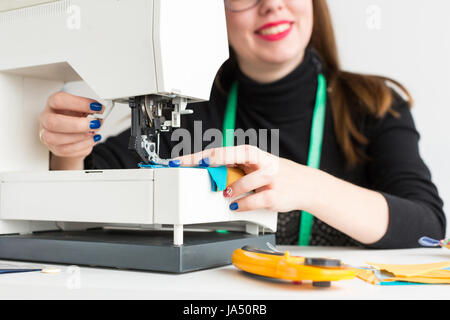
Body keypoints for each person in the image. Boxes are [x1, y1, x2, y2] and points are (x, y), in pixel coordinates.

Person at [38, 0, 446, 248]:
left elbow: (426, 228)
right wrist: (66, 152)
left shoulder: (372, 105)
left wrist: (306, 185)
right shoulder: (189, 113)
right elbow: (84, 199)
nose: (271, 6)